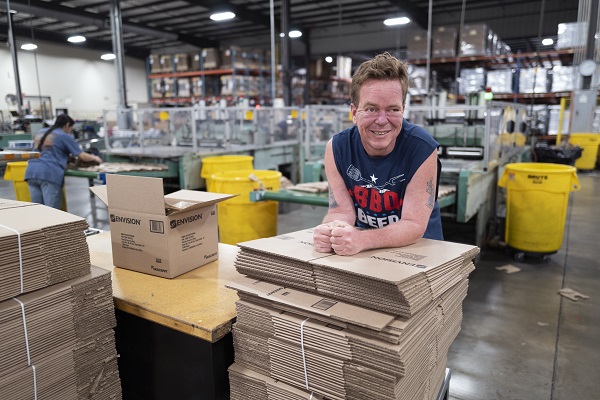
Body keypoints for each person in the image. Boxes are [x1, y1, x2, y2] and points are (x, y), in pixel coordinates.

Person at [313, 52, 443, 256]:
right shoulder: (337, 148)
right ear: (354, 113)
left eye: (392, 109)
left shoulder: (422, 148)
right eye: (372, 109)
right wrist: (330, 231)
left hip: (418, 252)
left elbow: (413, 224)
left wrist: (361, 239)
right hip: (364, 252)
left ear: (403, 109)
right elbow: (340, 211)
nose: (382, 120)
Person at [25, 114, 102, 209]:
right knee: (52, 212)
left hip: (31, 171)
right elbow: (82, 155)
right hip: (49, 173)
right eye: (71, 128)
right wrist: (95, 158)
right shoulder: (64, 135)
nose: (70, 131)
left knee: (38, 209)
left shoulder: (40, 132)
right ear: (67, 124)